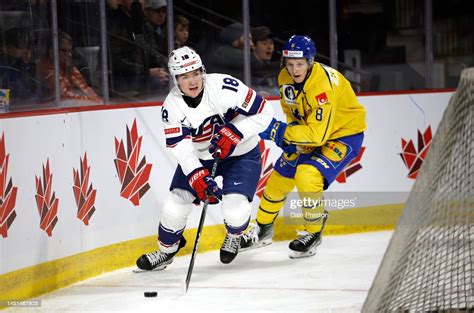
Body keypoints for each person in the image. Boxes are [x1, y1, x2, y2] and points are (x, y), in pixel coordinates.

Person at [135, 46, 273, 270]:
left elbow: (265, 112)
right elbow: (179, 145)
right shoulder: (171, 107)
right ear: (176, 79)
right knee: (174, 206)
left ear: (203, 71)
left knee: (235, 211)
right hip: (200, 158)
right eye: (185, 76)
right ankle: (166, 252)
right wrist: (197, 174)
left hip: (242, 153)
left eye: (196, 73)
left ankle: (235, 234)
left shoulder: (224, 86)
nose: (192, 81)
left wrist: (235, 132)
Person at [240, 35, 367, 259]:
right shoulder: (284, 77)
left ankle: (313, 233)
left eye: (300, 64)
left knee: (307, 174)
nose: (294, 69)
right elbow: (293, 112)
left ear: (310, 62)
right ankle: (263, 228)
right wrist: (289, 139)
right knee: (279, 177)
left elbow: (318, 136)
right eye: (290, 64)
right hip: (309, 130)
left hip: (343, 135)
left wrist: (280, 132)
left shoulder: (322, 87)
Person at [37, 31, 101, 102]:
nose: (69, 54)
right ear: (52, 52)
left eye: (70, 51)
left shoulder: (66, 65)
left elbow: (84, 86)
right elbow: (63, 94)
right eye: (65, 51)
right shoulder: (44, 67)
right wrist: (88, 100)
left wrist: (94, 98)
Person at [0, 27, 41, 107]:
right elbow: (2, 106)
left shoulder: (22, 65)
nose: (27, 51)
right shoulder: (4, 69)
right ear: (6, 48)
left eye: (28, 47)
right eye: (21, 46)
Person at [250, 26, 279, 95]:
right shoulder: (247, 67)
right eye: (264, 43)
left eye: (271, 43)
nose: (269, 47)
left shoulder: (271, 67)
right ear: (253, 46)